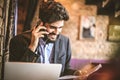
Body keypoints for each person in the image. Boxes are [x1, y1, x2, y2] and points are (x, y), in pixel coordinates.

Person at [9, 0, 76, 76]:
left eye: (60, 27)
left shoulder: (65, 41)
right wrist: (32, 46)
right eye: (52, 27)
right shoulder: (18, 41)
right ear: (41, 23)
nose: (57, 32)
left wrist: (77, 73)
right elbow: (17, 74)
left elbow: (65, 70)